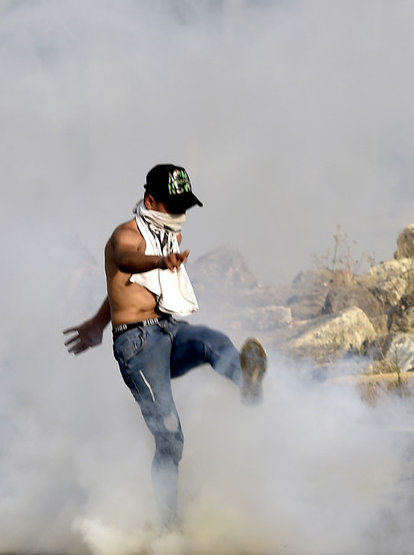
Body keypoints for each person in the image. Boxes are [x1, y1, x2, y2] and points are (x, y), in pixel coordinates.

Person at [63, 163, 267, 529]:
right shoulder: (126, 234)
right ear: (150, 201)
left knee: (212, 340)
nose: (179, 214)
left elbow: (125, 289)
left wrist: (97, 321)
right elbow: (126, 260)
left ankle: (246, 380)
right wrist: (160, 261)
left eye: (183, 206)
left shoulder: (163, 236)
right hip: (138, 347)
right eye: (172, 206)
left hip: (169, 330)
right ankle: (168, 526)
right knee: (170, 438)